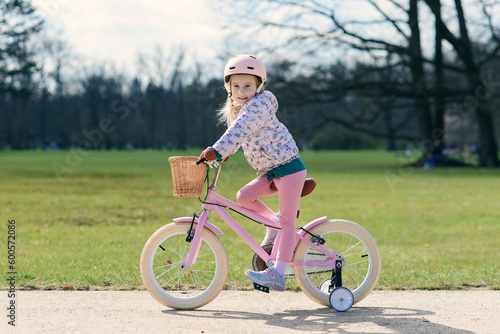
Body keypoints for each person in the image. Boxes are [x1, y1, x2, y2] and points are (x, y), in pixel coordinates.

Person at [199, 54, 306, 292]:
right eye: (236, 85)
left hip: (289, 169)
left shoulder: (259, 104)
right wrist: (224, 153)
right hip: (271, 171)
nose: (241, 91)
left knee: (288, 223)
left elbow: (240, 130)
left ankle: (278, 273)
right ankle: (272, 222)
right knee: (244, 197)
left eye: (247, 85)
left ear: (259, 85)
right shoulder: (240, 109)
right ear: (228, 87)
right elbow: (242, 138)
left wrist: (217, 150)